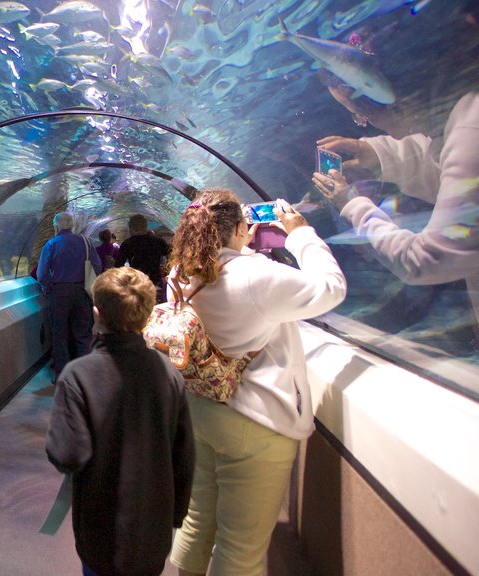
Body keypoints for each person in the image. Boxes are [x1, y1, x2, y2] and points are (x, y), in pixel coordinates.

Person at [166, 189, 346, 576]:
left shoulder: (180, 274)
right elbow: (332, 288)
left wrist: (243, 244)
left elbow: (229, 273)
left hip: (200, 406)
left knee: (198, 520)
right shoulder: (256, 276)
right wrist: (300, 234)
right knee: (239, 546)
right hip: (253, 421)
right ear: (240, 228)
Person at [46, 266, 195, 576]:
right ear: (148, 314)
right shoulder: (168, 373)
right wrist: (176, 513)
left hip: (101, 531)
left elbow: (67, 454)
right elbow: (184, 456)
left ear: (97, 314)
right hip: (153, 529)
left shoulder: (78, 376)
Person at [313, 87, 479, 342]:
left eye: (360, 115)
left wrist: (352, 205)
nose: (365, 122)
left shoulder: (471, 131)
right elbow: (446, 159)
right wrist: (378, 155)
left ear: (395, 103)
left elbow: (425, 260)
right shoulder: (466, 113)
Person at [36, 211, 101, 380]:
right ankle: (85, 376)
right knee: (83, 334)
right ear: (72, 225)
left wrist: (50, 289)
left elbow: (42, 273)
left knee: (60, 335)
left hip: (59, 293)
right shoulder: (86, 242)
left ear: (56, 226)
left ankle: (63, 376)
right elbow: (97, 265)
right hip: (82, 291)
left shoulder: (51, 244)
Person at [117, 214, 171, 303]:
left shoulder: (127, 244)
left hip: (137, 281)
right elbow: (171, 256)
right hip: (155, 280)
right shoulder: (158, 241)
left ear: (131, 227)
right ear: (146, 226)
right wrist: (166, 271)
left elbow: (119, 265)